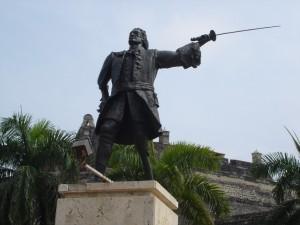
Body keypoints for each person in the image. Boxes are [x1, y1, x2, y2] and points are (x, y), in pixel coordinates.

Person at [95, 28, 202, 180]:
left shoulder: (153, 55)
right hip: (118, 99)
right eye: (132, 32)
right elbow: (101, 82)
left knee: (141, 138)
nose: (133, 34)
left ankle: (149, 177)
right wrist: (105, 99)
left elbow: (177, 57)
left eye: (138, 33)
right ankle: (97, 175)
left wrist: (197, 45)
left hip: (141, 99)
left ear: (144, 39)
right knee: (107, 129)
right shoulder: (114, 57)